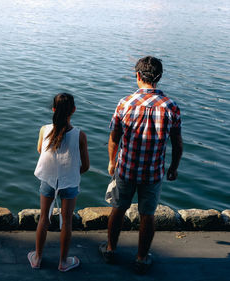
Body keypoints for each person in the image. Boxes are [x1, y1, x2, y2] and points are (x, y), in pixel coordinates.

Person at [101, 56, 183, 274]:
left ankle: (110, 249)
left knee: (118, 209)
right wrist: (173, 167)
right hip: (153, 172)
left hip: (126, 168)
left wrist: (112, 162)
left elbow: (114, 138)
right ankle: (141, 258)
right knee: (148, 215)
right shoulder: (171, 107)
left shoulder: (125, 103)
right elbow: (177, 143)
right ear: (159, 77)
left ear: (137, 76)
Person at [28, 93, 89, 272]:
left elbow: (41, 150)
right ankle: (63, 262)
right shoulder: (80, 135)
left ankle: (37, 258)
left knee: (44, 218)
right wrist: (69, 172)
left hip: (48, 181)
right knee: (67, 221)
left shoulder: (44, 129)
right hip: (69, 183)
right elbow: (85, 166)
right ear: (74, 110)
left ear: (53, 109)